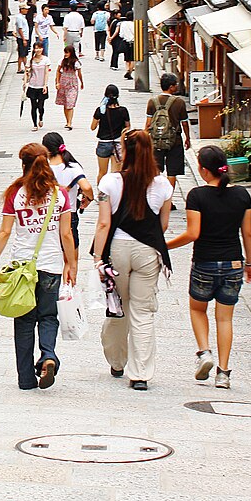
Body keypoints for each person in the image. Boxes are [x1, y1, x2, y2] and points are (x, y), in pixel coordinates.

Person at [0, 143, 77, 390]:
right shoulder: (60, 194)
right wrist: (71, 263)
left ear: (23, 164)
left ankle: (26, 379)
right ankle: (47, 356)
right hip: (51, 265)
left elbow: (5, 232)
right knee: (48, 316)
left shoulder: (16, 193)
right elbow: (66, 234)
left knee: (23, 321)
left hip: (22, 267)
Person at [166, 146, 251, 389]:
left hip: (205, 261)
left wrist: (165, 246)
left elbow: (193, 233)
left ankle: (204, 353)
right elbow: (247, 233)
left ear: (204, 170)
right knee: (225, 319)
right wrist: (249, 263)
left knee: (198, 310)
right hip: (233, 262)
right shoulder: (242, 196)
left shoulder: (197, 196)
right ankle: (223, 374)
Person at [92, 130, 174, 390]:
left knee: (119, 307)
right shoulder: (163, 185)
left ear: (124, 152)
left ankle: (117, 361)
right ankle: (140, 374)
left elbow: (104, 223)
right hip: (148, 250)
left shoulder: (109, 183)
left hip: (117, 248)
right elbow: (163, 225)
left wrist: (97, 258)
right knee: (142, 311)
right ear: (151, 152)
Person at [43, 132, 92, 254]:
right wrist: (89, 199)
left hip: (48, 215)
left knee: (50, 255)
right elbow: (86, 187)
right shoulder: (72, 167)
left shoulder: (43, 168)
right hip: (69, 215)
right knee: (71, 261)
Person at [145, 72, 192, 188]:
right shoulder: (179, 102)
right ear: (171, 87)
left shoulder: (152, 101)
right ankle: (169, 199)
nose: (177, 86)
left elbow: (148, 124)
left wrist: (146, 139)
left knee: (156, 170)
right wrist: (187, 138)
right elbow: (184, 123)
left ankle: (156, 196)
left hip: (156, 140)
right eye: (175, 84)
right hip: (174, 140)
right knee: (172, 172)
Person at [89, 84, 130, 179]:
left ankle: (101, 192)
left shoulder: (100, 110)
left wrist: (100, 120)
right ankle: (114, 193)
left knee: (102, 172)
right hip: (118, 144)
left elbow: (92, 127)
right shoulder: (123, 110)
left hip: (103, 143)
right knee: (115, 174)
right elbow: (127, 127)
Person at [54, 44, 84, 130]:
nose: (66, 54)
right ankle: (67, 121)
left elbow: (79, 73)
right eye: (65, 52)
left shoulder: (76, 62)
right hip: (63, 83)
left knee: (70, 102)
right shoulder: (62, 61)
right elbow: (58, 71)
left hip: (72, 83)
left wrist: (81, 82)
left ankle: (70, 122)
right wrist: (57, 82)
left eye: (67, 53)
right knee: (65, 102)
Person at [24, 45, 51, 130]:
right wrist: (25, 82)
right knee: (33, 106)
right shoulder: (30, 60)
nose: (38, 50)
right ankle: (35, 124)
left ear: (42, 49)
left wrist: (45, 85)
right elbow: (26, 72)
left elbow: (46, 73)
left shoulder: (46, 60)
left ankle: (41, 118)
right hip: (32, 85)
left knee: (40, 106)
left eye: (40, 48)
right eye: (36, 48)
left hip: (41, 85)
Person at [12, 4, 31, 74]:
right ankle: (24, 67)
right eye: (25, 9)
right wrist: (23, 39)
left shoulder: (22, 17)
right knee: (22, 54)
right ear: (21, 9)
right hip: (23, 38)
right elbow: (20, 29)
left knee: (23, 54)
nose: (27, 10)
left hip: (24, 37)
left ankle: (23, 67)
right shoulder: (19, 17)